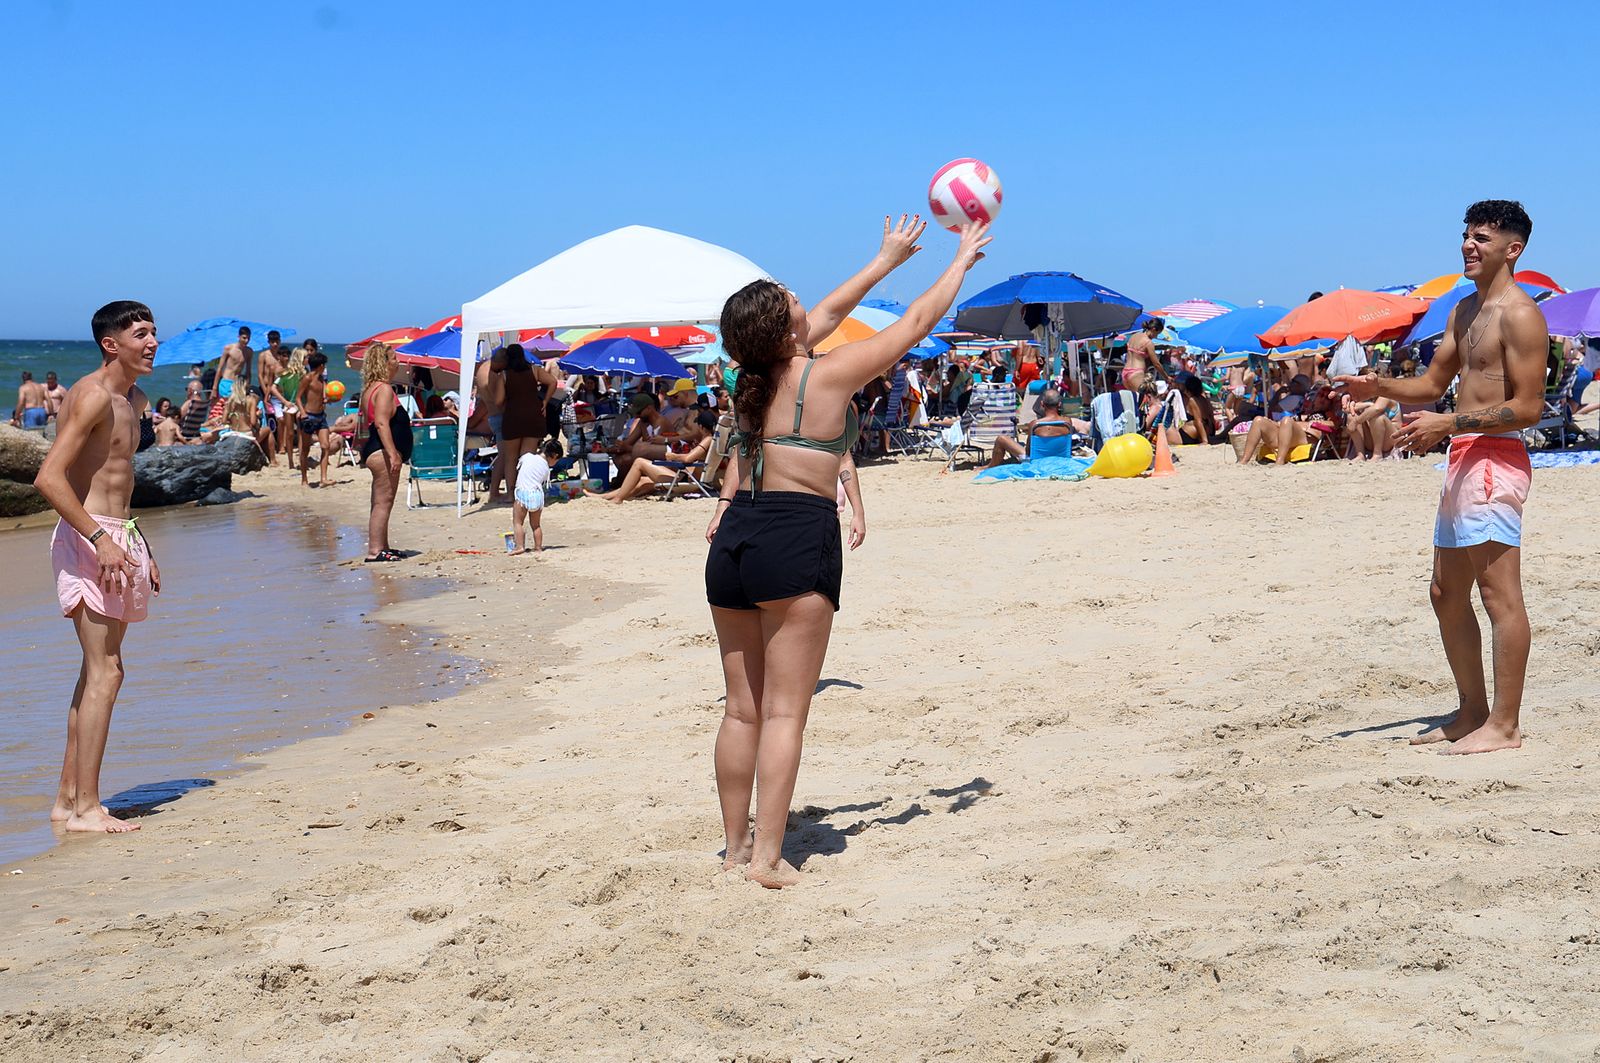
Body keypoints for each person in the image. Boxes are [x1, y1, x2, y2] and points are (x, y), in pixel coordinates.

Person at [704, 215, 989, 889]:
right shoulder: (826, 378)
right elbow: (918, 321)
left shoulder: (750, 379)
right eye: (792, 300)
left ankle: (734, 849)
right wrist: (960, 259)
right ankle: (769, 858)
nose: (806, 300)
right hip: (795, 535)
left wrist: (884, 259)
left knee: (741, 709)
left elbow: (829, 311)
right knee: (782, 713)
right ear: (783, 330)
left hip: (736, 539)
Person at [1336, 200, 1546, 754]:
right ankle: (1473, 710)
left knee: (1499, 595)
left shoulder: (1521, 314)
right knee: (1445, 591)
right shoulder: (1463, 309)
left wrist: (1447, 422)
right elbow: (1431, 384)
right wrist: (1376, 389)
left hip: (1495, 458)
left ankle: (1505, 725)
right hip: (1462, 458)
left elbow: (1528, 408)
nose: (1468, 245)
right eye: (1466, 235)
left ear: (1512, 249)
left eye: (1481, 237)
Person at [31, 300, 162, 833]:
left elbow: (119, 482)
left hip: (118, 536)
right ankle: (87, 808)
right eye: (140, 334)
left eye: (154, 332)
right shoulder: (91, 395)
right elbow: (49, 478)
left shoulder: (135, 397)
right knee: (106, 674)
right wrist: (99, 541)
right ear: (111, 344)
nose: (152, 342)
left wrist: (139, 544)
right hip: (90, 539)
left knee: (96, 674)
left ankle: (69, 800)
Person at [354, 343, 412, 563]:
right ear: (384, 363)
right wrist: (393, 453)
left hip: (375, 450)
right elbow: (380, 423)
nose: (397, 362)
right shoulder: (384, 390)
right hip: (382, 452)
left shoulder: (371, 389)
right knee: (383, 502)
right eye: (394, 358)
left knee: (380, 502)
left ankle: (383, 546)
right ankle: (376, 550)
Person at [493, 343, 558, 537]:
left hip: (513, 417)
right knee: (527, 457)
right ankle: (529, 492)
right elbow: (553, 382)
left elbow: (498, 401)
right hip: (533, 416)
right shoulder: (535, 370)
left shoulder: (503, 375)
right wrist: (545, 402)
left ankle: (512, 494)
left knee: (511, 458)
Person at [586, 408, 717, 502]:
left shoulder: (708, 440)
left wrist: (672, 457)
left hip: (688, 482)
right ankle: (605, 497)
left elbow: (688, 459)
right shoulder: (713, 440)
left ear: (700, 426)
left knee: (639, 463)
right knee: (643, 481)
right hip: (690, 479)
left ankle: (618, 499)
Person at [981, 388, 1082, 468]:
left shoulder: (1035, 424)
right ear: (1059, 404)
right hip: (1061, 458)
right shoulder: (1067, 422)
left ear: (1042, 404)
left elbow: (1029, 451)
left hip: (1037, 460)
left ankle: (991, 466)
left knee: (1001, 439)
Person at [511, 439, 564, 554]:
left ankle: (520, 546)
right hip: (536, 495)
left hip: (522, 493)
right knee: (535, 525)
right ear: (554, 456)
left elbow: (519, 466)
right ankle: (538, 547)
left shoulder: (528, 457)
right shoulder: (546, 468)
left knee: (518, 522)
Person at [296, 351, 334, 487]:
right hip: (309, 415)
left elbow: (323, 397)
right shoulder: (307, 378)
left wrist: (328, 399)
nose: (324, 367)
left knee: (326, 446)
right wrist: (302, 412)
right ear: (320, 365)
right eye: (324, 365)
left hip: (321, 416)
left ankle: (323, 478)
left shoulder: (322, 380)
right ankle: (304, 479)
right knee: (305, 449)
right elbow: (298, 397)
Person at [475, 352, 508, 501]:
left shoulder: (482, 369)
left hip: (493, 416)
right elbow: (500, 400)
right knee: (504, 456)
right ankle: (494, 492)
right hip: (500, 416)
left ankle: (495, 491)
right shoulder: (494, 375)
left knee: (503, 455)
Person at [1123, 317, 1171, 392]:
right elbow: (1156, 364)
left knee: (1132, 401)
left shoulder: (1133, 336)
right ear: (1154, 329)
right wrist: (1166, 377)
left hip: (1125, 372)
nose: (1156, 337)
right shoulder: (1148, 342)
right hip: (1136, 373)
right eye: (1157, 334)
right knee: (1143, 400)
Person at [216, 325, 252, 398]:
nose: (246, 341)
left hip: (238, 383)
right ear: (238, 337)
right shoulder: (229, 348)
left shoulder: (249, 351)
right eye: (244, 338)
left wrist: (247, 385)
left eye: (248, 338)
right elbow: (220, 368)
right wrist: (214, 388)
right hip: (226, 381)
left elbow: (248, 371)